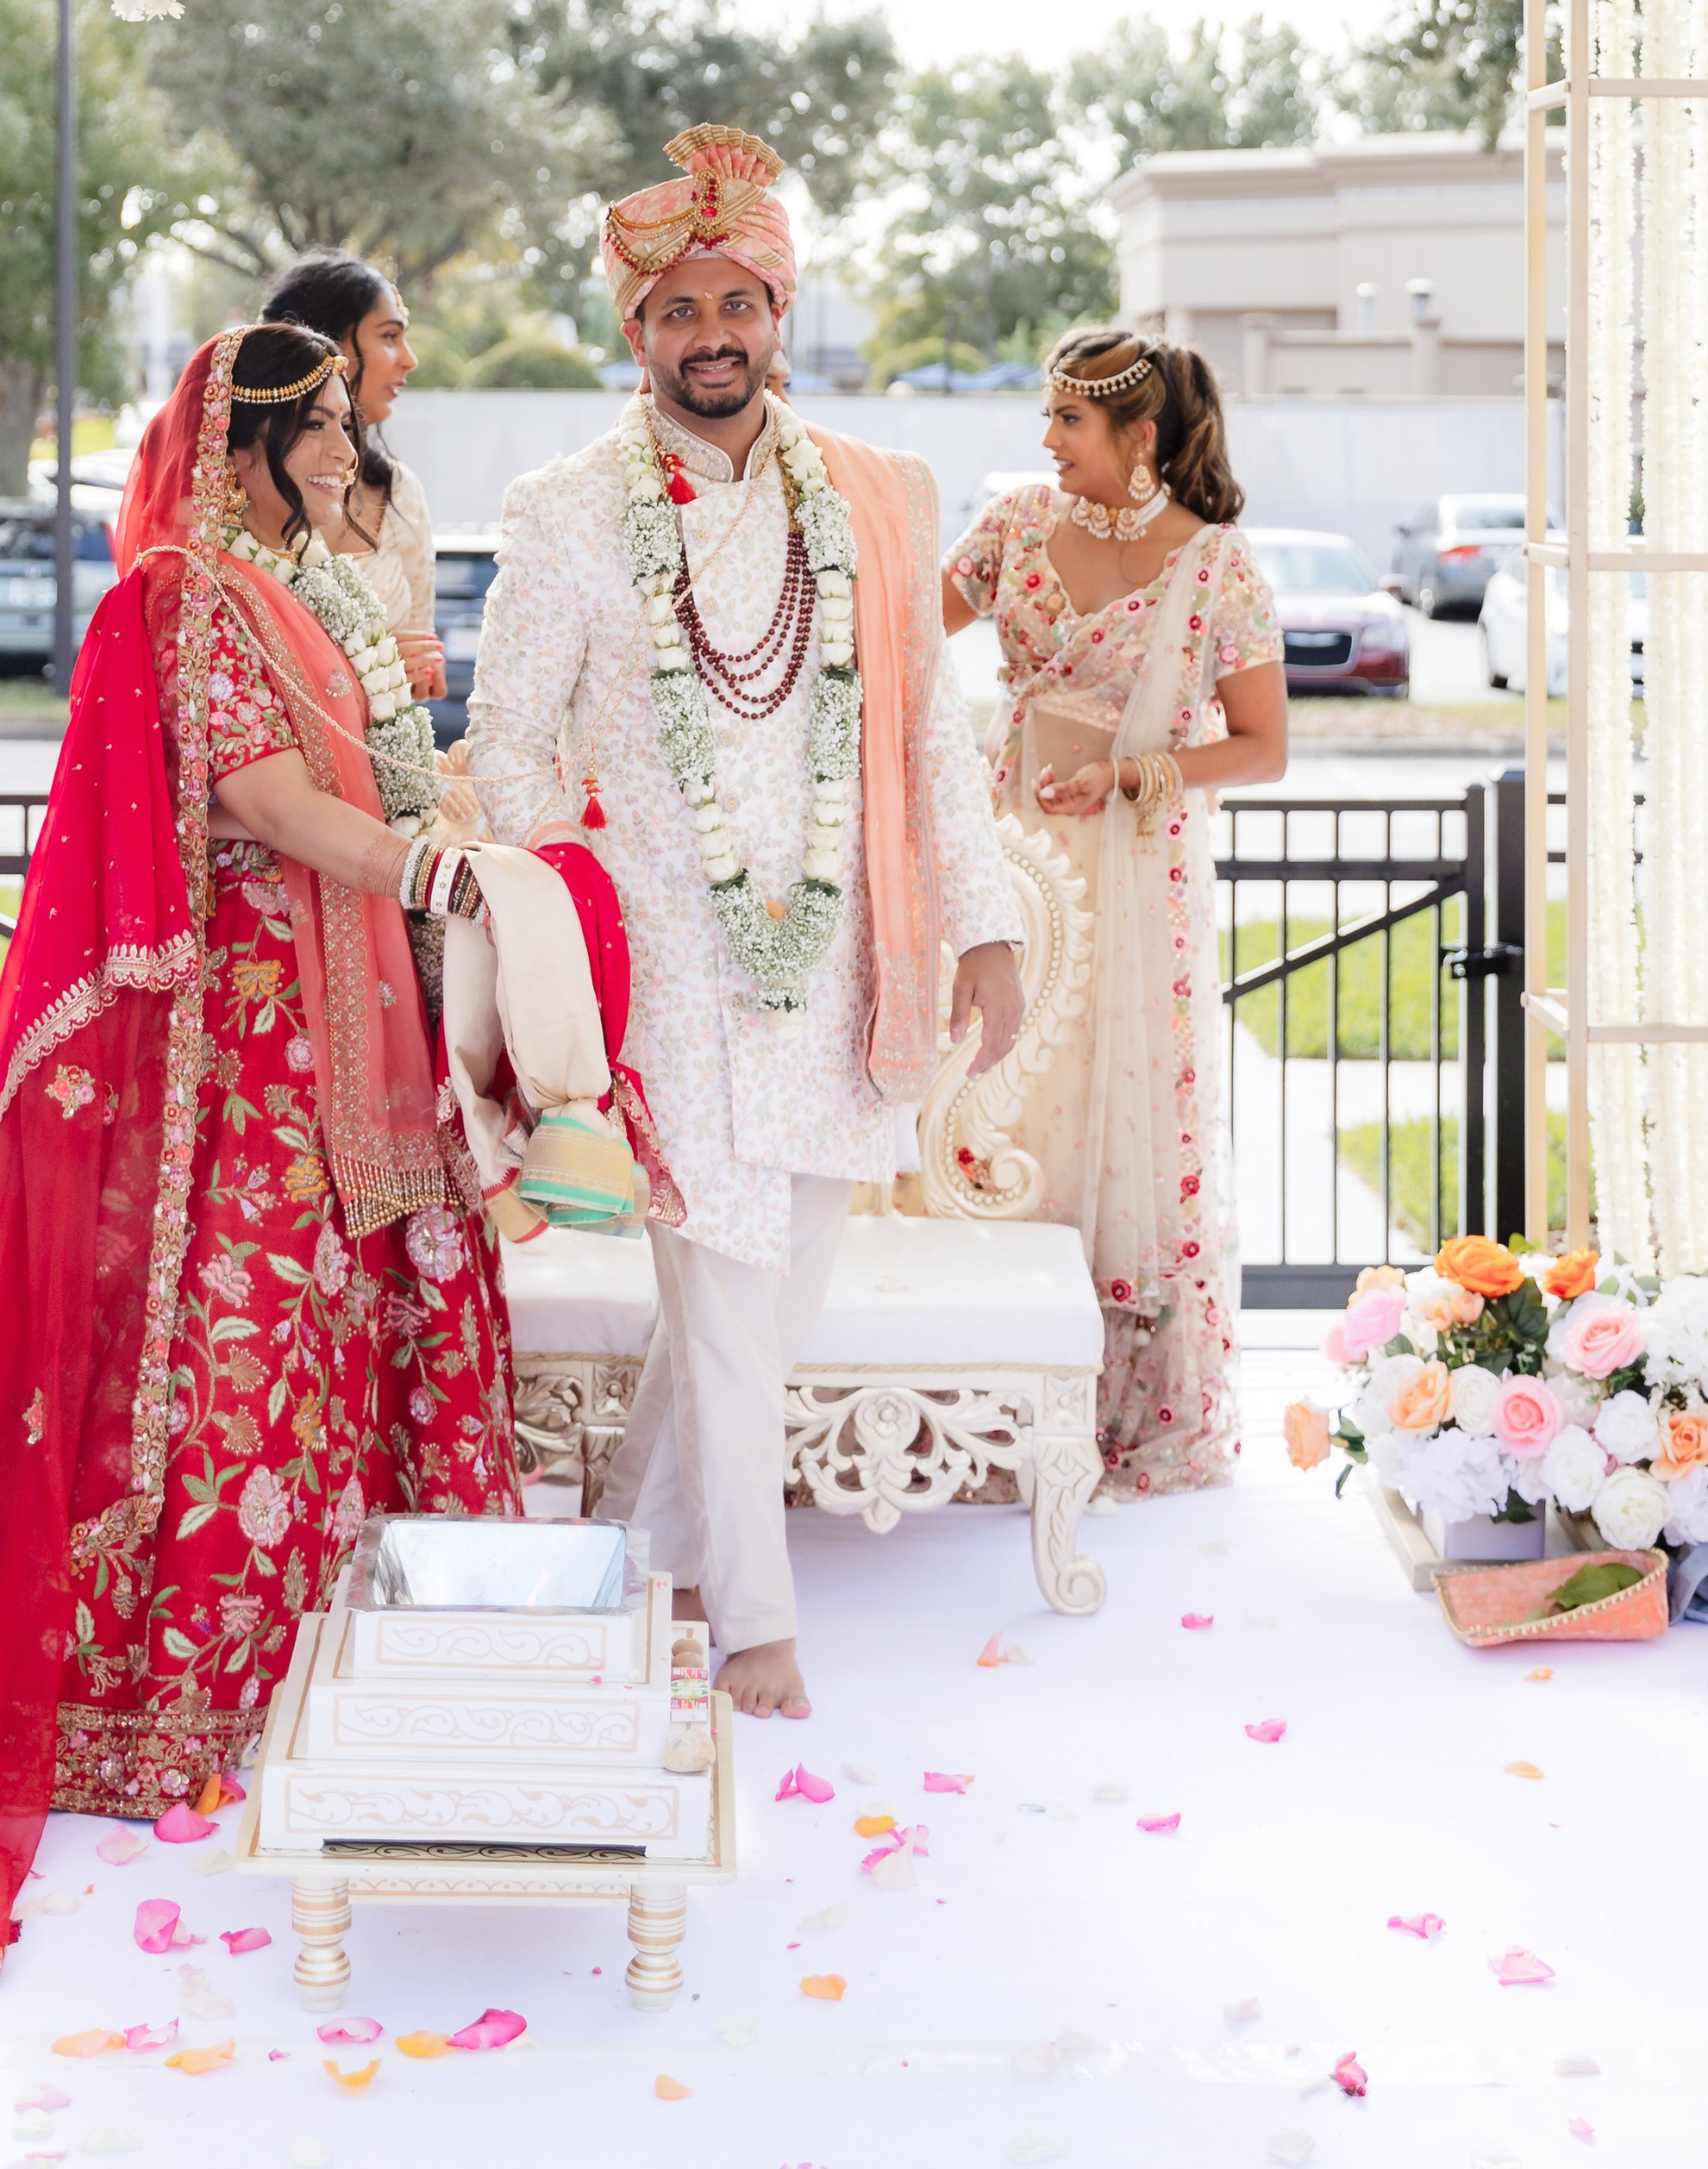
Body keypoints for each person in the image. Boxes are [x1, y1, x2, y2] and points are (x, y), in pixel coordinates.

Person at [0, 325, 523, 2027]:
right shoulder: (181, 594)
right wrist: (440, 866)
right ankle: (159, 1688)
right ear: (262, 439)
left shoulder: (294, 590)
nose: (353, 454)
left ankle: (295, 1669)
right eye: (332, 429)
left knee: (303, 1343)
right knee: (214, 1351)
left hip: (321, 1035)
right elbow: (265, 801)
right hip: (224, 1048)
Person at [466, 125, 1024, 1722]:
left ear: (779, 311)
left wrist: (978, 923)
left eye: (740, 301)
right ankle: (752, 1619)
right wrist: (577, 893)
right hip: (667, 961)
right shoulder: (565, 507)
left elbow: (927, 735)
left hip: (849, 950)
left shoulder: (876, 497)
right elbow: (508, 740)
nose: (712, 331)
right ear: (632, 331)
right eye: (676, 307)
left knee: (777, 1297)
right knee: (717, 1282)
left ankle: (648, 1550)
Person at [942, 328, 1286, 1498]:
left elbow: (1265, 746)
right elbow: (893, 635)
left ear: (1139, 436)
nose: (1045, 441)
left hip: (1132, 870)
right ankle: (968, 1387)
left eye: (1068, 422)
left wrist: (1134, 775)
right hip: (1000, 841)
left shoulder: (1219, 569)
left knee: (1108, 1111)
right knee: (989, 1088)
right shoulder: (1013, 528)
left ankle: (1099, 1403)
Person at [261, 249, 445, 699]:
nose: (409, 359)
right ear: (326, 346)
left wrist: (409, 671)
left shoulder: (398, 491)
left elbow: (426, 680)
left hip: (386, 760)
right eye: (388, 337)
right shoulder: (247, 490)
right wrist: (373, 665)